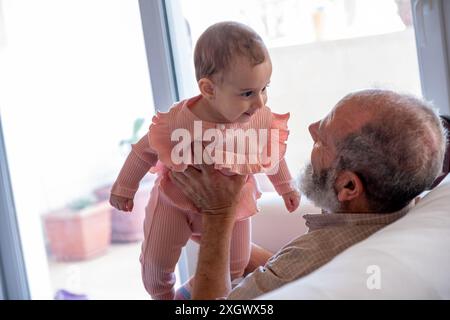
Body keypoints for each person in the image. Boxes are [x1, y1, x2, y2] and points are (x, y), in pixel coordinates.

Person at [169, 89, 448, 299]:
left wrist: (218, 215)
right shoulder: (403, 204)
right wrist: (236, 245)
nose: (311, 128)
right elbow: (288, 272)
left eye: (321, 139)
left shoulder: (311, 258)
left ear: (348, 186)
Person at [109, 21, 300, 300]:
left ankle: (195, 293)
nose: (260, 102)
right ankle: (165, 298)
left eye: (264, 88)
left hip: (231, 206)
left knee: (235, 264)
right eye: (248, 93)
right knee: (155, 269)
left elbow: (271, 153)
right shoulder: (180, 120)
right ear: (209, 89)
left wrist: (286, 186)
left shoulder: (256, 118)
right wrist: (124, 187)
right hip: (174, 202)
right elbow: (143, 150)